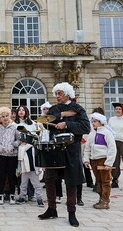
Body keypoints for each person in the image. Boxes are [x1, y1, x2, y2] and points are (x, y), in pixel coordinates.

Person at [38, 82, 90, 227]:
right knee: (49, 178)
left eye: (60, 93)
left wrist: (67, 125)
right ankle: (52, 209)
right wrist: (61, 115)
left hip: (71, 150)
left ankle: (71, 213)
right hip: (55, 149)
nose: (57, 96)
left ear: (67, 93)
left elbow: (86, 127)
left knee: (71, 182)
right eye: (56, 93)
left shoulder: (78, 109)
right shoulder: (54, 109)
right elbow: (47, 121)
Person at [83, 112, 117, 209]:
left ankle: (105, 200)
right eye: (92, 121)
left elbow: (112, 148)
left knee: (105, 181)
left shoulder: (107, 133)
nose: (93, 123)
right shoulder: (91, 134)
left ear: (101, 122)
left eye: (95, 121)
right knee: (98, 181)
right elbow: (87, 148)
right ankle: (101, 198)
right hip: (94, 160)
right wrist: (86, 160)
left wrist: (109, 163)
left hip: (103, 159)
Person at [0, 107, 20, 205]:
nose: (5, 118)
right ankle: (0, 194)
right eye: (2, 116)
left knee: (12, 175)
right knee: (1, 175)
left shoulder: (14, 127)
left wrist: (14, 145)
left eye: (7, 116)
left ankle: (12, 194)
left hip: (12, 155)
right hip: (2, 154)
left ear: (10, 116)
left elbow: (19, 139)